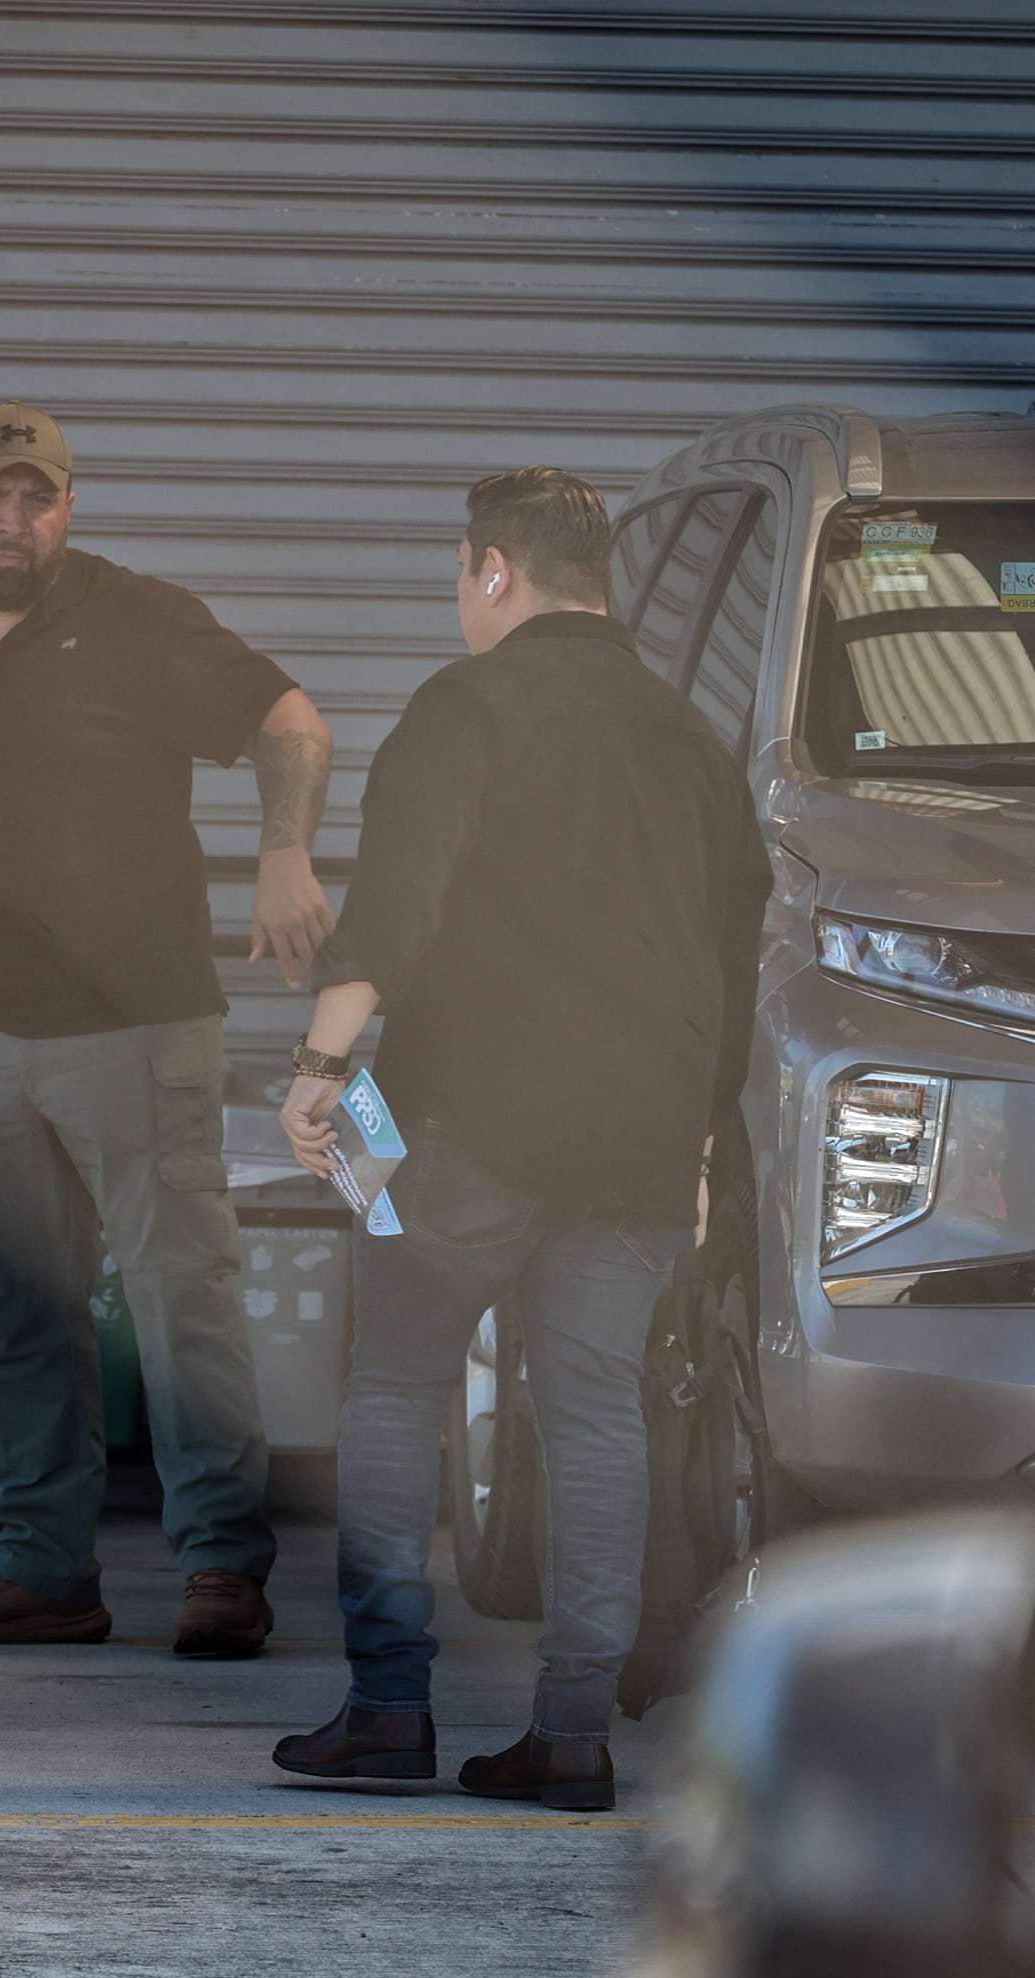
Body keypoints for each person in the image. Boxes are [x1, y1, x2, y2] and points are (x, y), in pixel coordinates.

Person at [268, 467, 772, 1811]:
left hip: (449, 1124)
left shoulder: (464, 704)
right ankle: (569, 1732)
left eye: (461, 574)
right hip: (648, 1142)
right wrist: (708, 1149)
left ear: (492, 568)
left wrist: (322, 1068)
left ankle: (386, 1706)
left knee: (391, 1386)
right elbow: (735, 965)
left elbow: (395, 905)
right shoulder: (695, 739)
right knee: (596, 1408)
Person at [0, 402, 337, 1658]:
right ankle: (41, 1565)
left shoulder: (140, 617)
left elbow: (292, 722)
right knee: (8, 1304)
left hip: (138, 1020)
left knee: (177, 1294)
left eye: (38, 499)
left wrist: (288, 848)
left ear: (68, 508)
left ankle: (221, 1568)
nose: (13, 521)